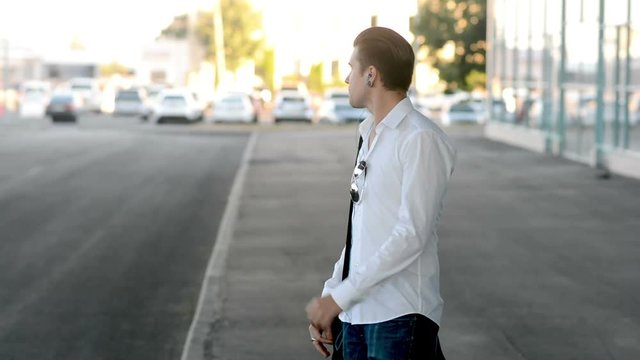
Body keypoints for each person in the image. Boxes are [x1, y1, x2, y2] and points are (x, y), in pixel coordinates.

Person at [305, 27, 456, 359]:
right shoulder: (369, 135)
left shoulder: (419, 138)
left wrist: (340, 298)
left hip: (399, 316)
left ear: (371, 75)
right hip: (357, 315)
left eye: (351, 68)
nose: (346, 78)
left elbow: (411, 235)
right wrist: (333, 293)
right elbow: (362, 231)